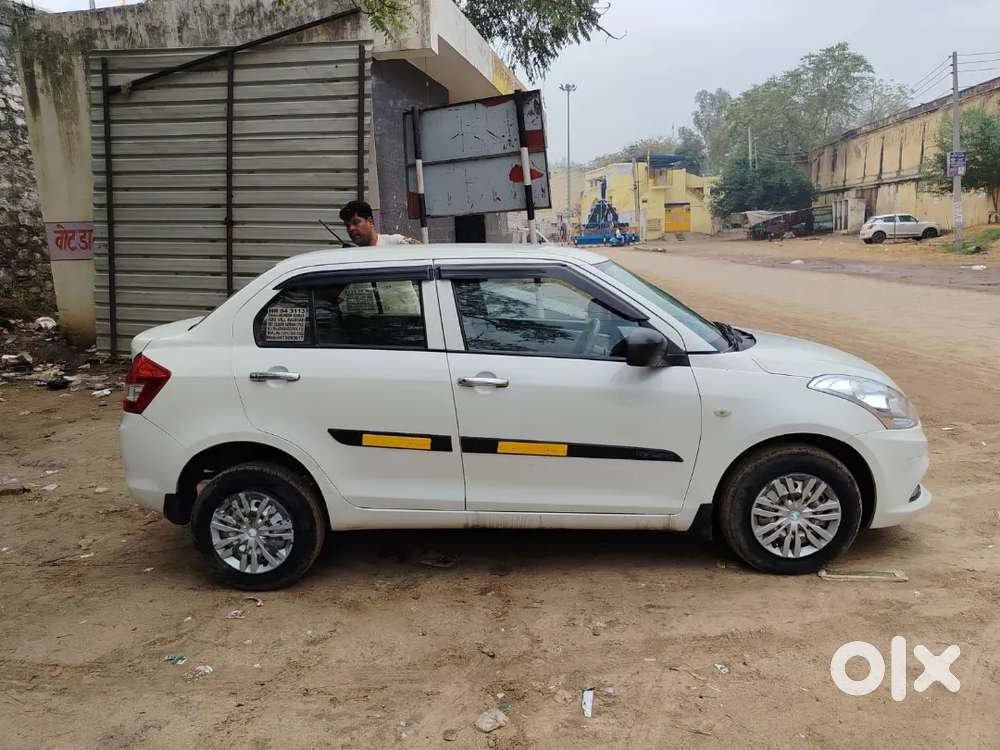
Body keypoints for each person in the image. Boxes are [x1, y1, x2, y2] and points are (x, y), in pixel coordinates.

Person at [339, 200, 420, 247]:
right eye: (347, 225)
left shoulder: (396, 242)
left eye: (356, 222)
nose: (351, 228)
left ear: (370, 222)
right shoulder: (353, 257)